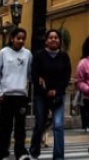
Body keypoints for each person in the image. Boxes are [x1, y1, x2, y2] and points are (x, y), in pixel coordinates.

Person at [0, 27, 32, 160]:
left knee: (20, 128)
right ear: (12, 38)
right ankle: (2, 154)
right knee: (5, 128)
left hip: (21, 96)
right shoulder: (3, 53)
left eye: (23, 39)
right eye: (18, 38)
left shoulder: (28, 54)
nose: (20, 41)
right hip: (6, 96)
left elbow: (31, 74)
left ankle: (21, 153)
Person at [29, 28, 72, 160]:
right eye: (50, 37)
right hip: (41, 96)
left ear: (59, 41)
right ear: (46, 41)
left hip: (58, 95)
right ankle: (34, 152)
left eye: (56, 37)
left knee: (58, 125)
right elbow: (34, 75)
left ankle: (59, 157)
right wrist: (45, 91)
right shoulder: (39, 55)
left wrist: (57, 91)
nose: (53, 39)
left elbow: (66, 76)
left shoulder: (64, 56)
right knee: (40, 123)